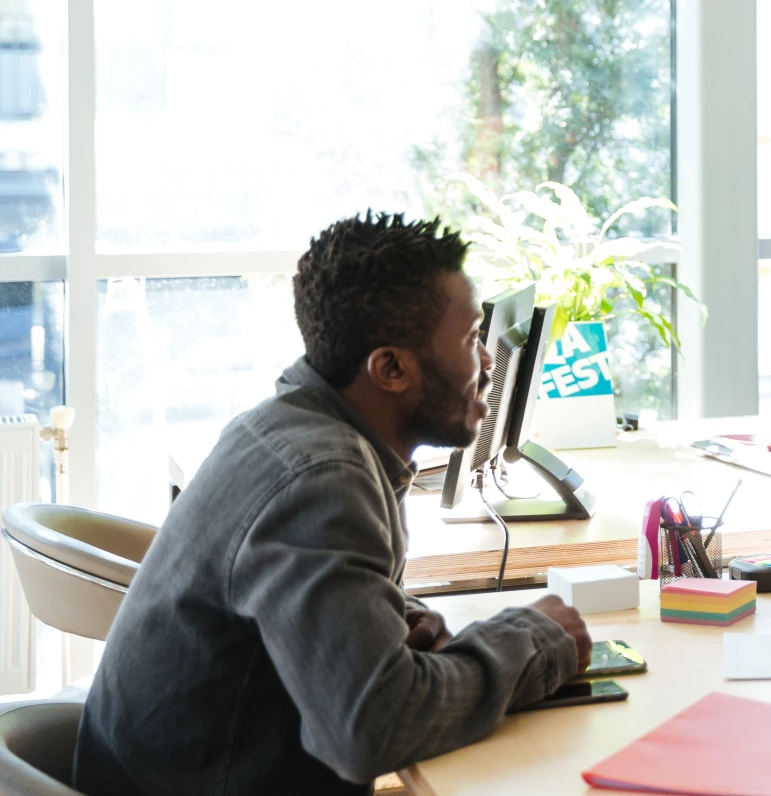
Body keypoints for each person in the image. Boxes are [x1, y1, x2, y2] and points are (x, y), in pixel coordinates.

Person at [76, 212, 591, 796]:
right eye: (473, 338)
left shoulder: (280, 426)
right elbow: (370, 730)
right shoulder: (324, 483)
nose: (488, 363)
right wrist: (533, 640)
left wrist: (386, 616)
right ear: (391, 368)